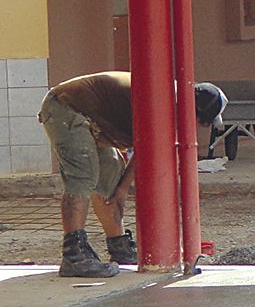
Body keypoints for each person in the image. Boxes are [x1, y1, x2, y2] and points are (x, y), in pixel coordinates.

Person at [39, 72, 222, 277]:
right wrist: (124, 189)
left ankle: (119, 247)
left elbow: (145, 147)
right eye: (200, 119)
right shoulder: (163, 102)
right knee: (82, 177)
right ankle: (74, 256)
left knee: (111, 173)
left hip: (95, 119)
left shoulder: (173, 101)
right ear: (194, 110)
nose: (197, 125)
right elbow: (146, 150)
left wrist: (121, 188)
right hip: (67, 107)